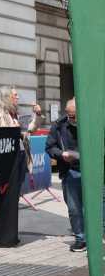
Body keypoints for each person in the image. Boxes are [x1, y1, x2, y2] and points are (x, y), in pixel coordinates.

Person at [47, 99, 87, 251]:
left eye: (74, 116)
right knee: (74, 208)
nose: (71, 119)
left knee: (95, 207)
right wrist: (61, 154)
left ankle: (96, 237)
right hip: (70, 170)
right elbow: (49, 146)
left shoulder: (93, 121)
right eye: (69, 115)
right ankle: (80, 238)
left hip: (92, 171)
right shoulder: (59, 125)